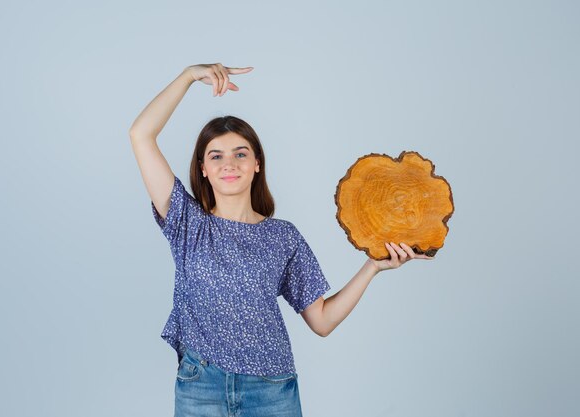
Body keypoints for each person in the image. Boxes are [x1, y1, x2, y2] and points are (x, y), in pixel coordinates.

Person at [129, 63, 434, 417]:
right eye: (216, 156)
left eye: (240, 153)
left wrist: (372, 267)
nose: (229, 163)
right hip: (201, 386)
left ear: (257, 163)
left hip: (271, 390)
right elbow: (141, 134)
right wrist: (187, 77)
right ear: (203, 169)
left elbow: (321, 321)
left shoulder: (282, 236)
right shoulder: (187, 222)